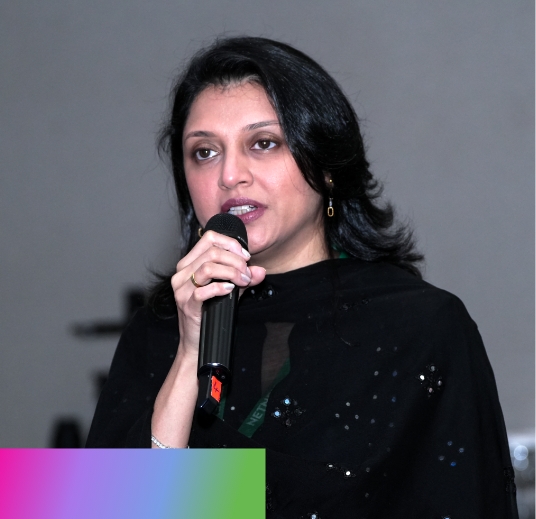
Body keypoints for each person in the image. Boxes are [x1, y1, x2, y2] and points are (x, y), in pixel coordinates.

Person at [86, 37, 518, 518]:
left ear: (327, 166)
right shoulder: (158, 332)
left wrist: (207, 491)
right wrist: (189, 355)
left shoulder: (421, 327)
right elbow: (85, 507)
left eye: (263, 143)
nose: (230, 175)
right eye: (204, 152)